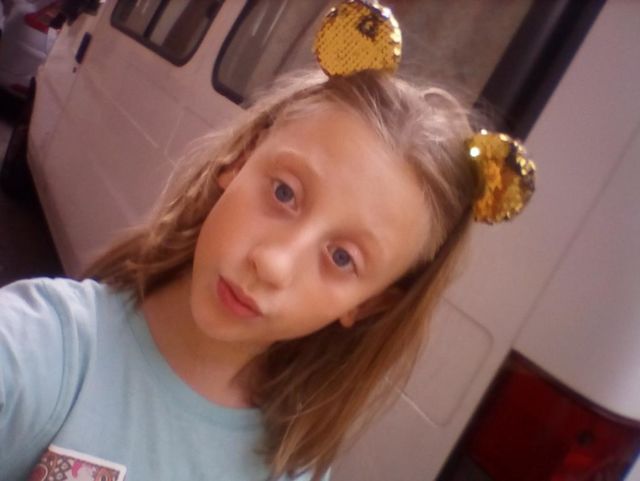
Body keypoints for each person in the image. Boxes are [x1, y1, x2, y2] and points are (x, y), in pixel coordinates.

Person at [0, 3, 535, 481]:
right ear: (240, 159)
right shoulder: (47, 348)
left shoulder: (292, 465)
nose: (274, 263)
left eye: (342, 258)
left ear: (369, 304)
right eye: (284, 192)